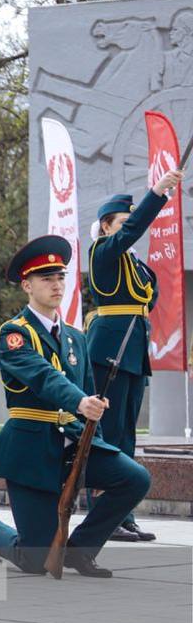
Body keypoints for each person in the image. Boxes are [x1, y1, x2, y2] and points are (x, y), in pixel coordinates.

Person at [0, 236, 152, 578]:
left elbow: (84, 389)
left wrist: (92, 412)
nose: (56, 285)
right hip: (32, 448)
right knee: (35, 559)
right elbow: (44, 377)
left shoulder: (76, 338)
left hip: (71, 440)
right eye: (46, 278)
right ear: (27, 285)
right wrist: (82, 402)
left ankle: (79, 552)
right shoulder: (15, 334)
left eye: (60, 277)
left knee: (134, 478)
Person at [84, 165, 181, 543]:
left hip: (133, 349)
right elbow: (134, 230)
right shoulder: (103, 253)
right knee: (107, 434)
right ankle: (100, 512)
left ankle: (119, 514)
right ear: (106, 226)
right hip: (110, 349)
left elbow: (149, 295)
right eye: (121, 222)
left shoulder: (133, 263)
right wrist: (157, 193)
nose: (128, 227)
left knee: (125, 435)